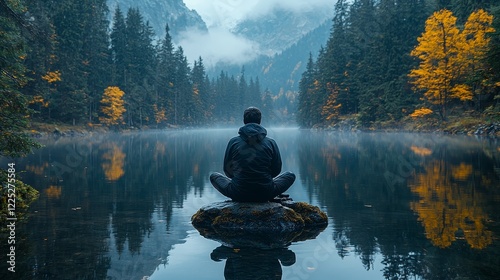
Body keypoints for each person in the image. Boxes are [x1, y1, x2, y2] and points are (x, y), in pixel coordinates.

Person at [210, 107, 295, 202]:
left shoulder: (233, 142)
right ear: (260, 121)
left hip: (238, 193)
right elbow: (276, 171)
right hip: (266, 193)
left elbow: (228, 172)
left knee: (214, 176)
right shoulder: (271, 143)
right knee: (290, 175)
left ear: (244, 121)